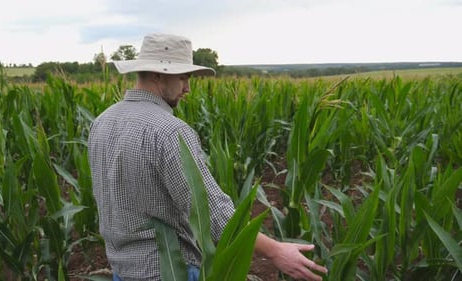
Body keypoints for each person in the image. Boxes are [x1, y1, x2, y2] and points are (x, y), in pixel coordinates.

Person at [88, 33, 328, 281]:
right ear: (157, 74)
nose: (188, 88)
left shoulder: (101, 122)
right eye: (183, 78)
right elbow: (214, 216)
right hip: (171, 271)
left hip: (123, 272)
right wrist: (276, 251)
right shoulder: (170, 132)